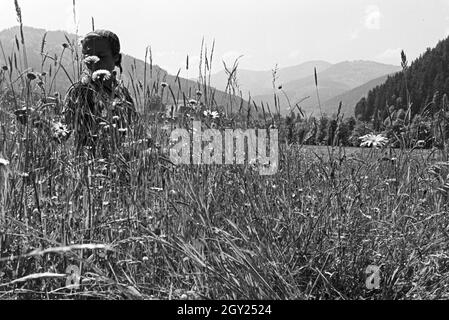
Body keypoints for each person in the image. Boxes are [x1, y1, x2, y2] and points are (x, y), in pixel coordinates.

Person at [63, 29, 137, 155]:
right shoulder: (78, 92)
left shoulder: (123, 94)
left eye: (101, 56)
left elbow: (135, 130)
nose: (95, 61)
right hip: (86, 162)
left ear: (116, 58)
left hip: (119, 161)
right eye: (88, 56)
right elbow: (63, 132)